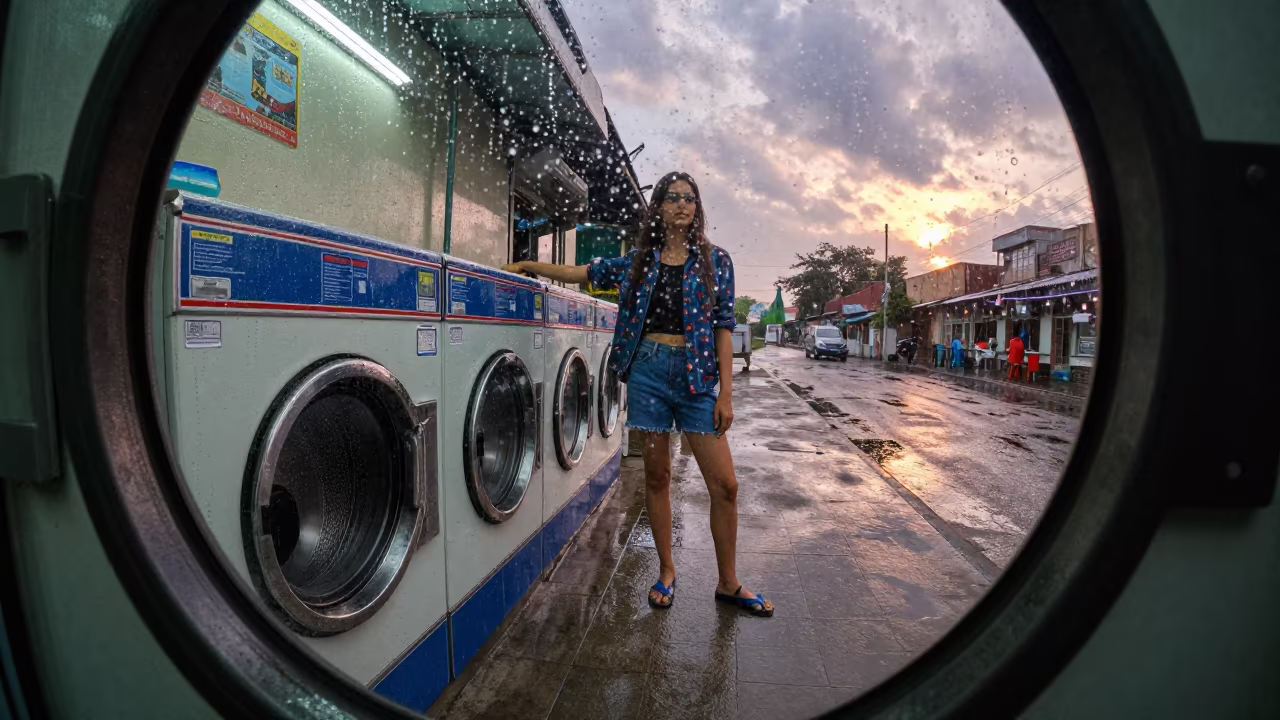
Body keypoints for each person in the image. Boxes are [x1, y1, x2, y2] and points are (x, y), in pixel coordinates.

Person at [501, 171, 774, 618]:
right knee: (657, 477)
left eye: (689, 198)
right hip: (648, 371)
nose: (682, 205)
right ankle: (666, 571)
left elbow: (724, 327)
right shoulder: (639, 262)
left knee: (725, 485)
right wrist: (530, 266)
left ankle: (729, 582)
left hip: (697, 379)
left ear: (696, 207)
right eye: (672, 198)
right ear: (659, 208)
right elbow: (582, 272)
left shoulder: (715, 260)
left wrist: (726, 393)